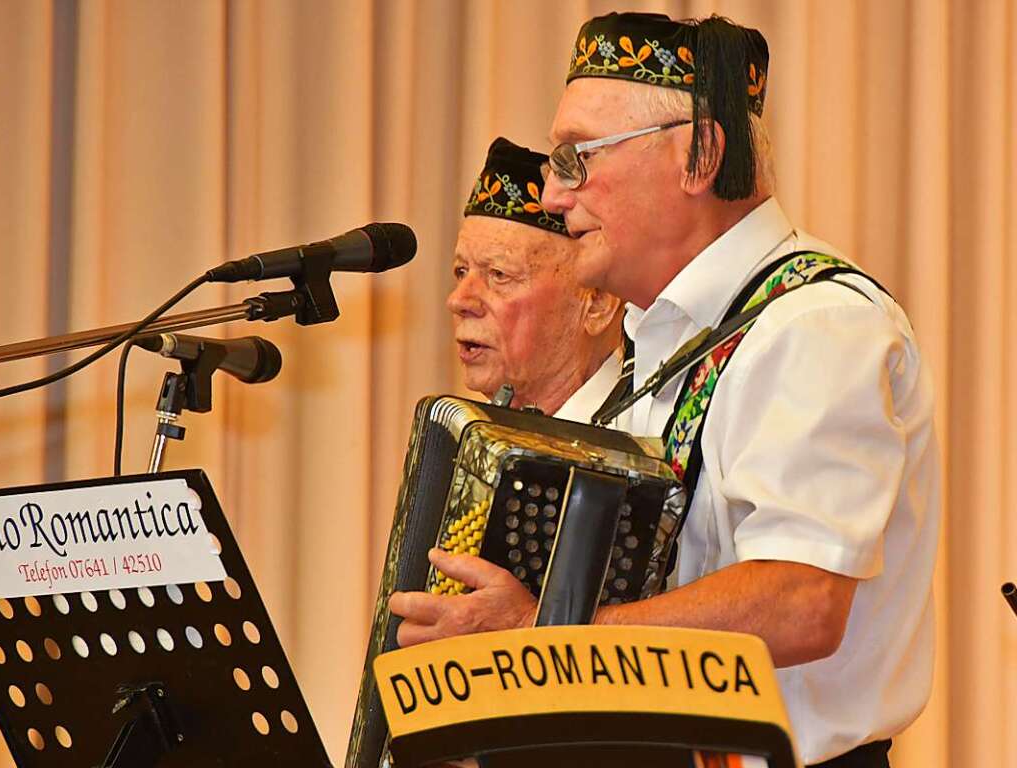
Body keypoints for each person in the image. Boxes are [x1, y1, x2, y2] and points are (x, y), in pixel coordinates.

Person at [391, 14, 940, 768]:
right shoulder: (663, 339)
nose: (552, 194)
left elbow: (802, 599)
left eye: (576, 158)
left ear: (700, 155)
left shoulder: (814, 325)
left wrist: (548, 641)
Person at [450, 136, 623, 420]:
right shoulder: (476, 440)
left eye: (498, 274)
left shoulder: (638, 445)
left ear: (597, 303)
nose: (458, 300)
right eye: (461, 271)